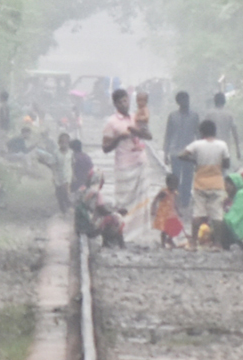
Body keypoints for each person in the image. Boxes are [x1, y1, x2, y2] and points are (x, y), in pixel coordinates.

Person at [102, 88, 152, 229]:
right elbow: (105, 148)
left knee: (140, 199)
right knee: (123, 200)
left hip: (140, 162)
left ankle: (139, 231)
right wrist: (119, 137)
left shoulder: (136, 117)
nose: (124, 104)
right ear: (115, 104)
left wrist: (136, 130)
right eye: (120, 102)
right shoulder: (111, 122)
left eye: (126, 100)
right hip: (124, 165)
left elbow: (148, 136)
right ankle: (121, 229)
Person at [177, 119, 230, 247]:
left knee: (198, 214)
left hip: (200, 184)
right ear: (215, 132)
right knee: (217, 214)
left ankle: (194, 242)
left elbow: (181, 155)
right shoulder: (222, 145)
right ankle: (217, 244)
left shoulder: (197, 144)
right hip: (217, 184)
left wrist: (194, 160)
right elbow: (227, 164)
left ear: (201, 132)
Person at [163, 91, 200, 209]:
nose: (186, 102)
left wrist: (198, 153)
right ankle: (177, 200)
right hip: (175, 152)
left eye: (187, 99)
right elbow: (168, 134)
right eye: (183, 100)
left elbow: (198, 134)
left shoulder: (194, 116)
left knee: (188, 178)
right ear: (178, 102)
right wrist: (165, 152)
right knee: (176, 177)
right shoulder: (172, 116)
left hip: (189, 153)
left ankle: (185, 201)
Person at [75, 170, 126, 248]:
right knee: (117, 218)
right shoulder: (97, 193)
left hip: (78, 227)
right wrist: (115, 212)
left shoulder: (81, 190)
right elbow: (102, 210)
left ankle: (107, 241)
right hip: (91, 228)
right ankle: (120, 244)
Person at [37, 132, 73, 214]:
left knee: (65, 193)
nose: (64, 144)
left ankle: (70, 208)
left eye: (66, 142)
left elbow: (73, 164)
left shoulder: (71, 153)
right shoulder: (56, 153)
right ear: (59, 143)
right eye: (62, 142)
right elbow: (51, 164)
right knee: (59, 196)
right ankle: (64, 212)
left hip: (67, 177)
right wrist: (43, 162)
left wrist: (74, 176)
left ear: (68, 143)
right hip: (58, 177)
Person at [221, 172, 243, 249]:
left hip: (242, 231)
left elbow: (235, 215)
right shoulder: (241, 194)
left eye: (227, 185)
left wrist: (222, 217)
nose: (226, 189)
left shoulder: (242, 194)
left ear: (234, 185)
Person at [204, 92, 240, 161]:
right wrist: (237, 149)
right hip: (225, 147)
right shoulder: (229, 114)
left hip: (211, 147)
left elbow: (203, 132)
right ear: (224, 101)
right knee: (223, 169)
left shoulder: (209, 115)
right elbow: (234, 133)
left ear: (214, 101)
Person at [151, 174, 183, 248]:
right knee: (165, 229)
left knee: (177, 226)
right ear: (168, 184)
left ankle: (169, 239)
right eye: (172, 185)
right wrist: (153, 209)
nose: (174, 187)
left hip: (171, 213)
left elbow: (174, 203)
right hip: (163, 214)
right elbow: (155, 200)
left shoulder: (174, 193)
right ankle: (163, 243)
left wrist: (178, 211)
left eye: (175, 185)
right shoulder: (164, 192)